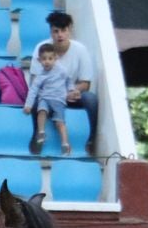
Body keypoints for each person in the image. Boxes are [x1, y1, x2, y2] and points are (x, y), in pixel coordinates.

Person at [28, 11, 97, 154]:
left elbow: (85, 83)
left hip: (70, 95)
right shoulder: (41, 49)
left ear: (70, 30)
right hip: (47, 95)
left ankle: (90, 140)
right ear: (51, 32)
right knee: (33, 101)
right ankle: (36, 138)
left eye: (64, 30)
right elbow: (35, 82)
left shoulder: (80, 50)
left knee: (90, 99)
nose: (60, 35)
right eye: (56, 31)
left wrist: (70, 92)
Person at [23, 42, 73, 155]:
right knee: (41, 111)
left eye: (50, 58)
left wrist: (71, 90)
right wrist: (28, 105)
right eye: (44, 59)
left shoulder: (61, 70)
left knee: (60, 123)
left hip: (58, 100)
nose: (47, 61)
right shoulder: (40, 75)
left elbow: (69, 80)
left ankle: (65, 143)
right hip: (45, 98)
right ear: (39, 60)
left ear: (55, 58)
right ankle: (41, 132)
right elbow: (33, 90)